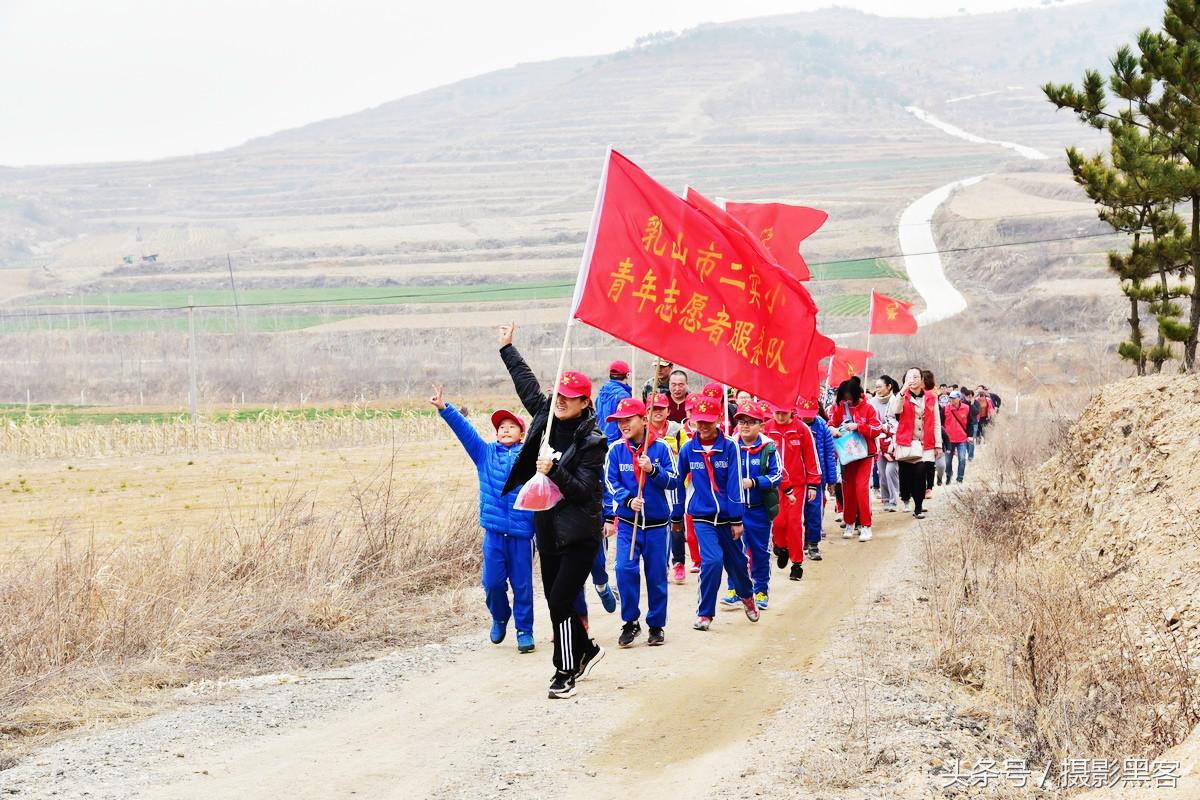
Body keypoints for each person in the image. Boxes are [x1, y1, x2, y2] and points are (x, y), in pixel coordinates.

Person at [498, 322, 606, 700]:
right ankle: (587, 649)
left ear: (585, 402)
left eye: (569, 397)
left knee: (560, 600)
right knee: (555, 599)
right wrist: (508, 348)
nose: (560, 400)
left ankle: (565, 671)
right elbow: (527, 385)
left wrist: (554, 469)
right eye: (559, 393)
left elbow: (582, 491)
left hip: (579, 533)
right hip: (546, 527)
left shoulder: (593, 441)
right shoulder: (545, 418)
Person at [432, 385, 536, 654]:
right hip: (494, 533)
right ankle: (500, 617)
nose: (505, 430)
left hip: (522, 534)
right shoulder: (484, 454)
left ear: (522, 433)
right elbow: (465, 432)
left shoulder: (531, 457)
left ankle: (524, 630)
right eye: (501, 426)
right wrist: (445, 408)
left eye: (511, 426)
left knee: (523, 586)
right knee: (492, 583)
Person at [603, 397, 679, 648]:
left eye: (628, 419)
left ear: (644, 420)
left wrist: (653, 471)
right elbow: (610, 481)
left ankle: (656, 624)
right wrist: (627, 500)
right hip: (628, 523)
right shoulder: (616, 450)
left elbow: (674, 480)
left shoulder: (661, 448)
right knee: (624, 569)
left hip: (657, 525)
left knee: (656, 575)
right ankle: (630, 621)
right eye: (619, 421)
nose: (623, 425)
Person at [678, 397, 759, 630]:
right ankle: (705, 613)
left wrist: (736, 519)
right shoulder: (688, 449)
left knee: (737, 563)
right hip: (702, 516)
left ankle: (747, 596)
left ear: (718, 420)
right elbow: (677, 480)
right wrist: (676, 513)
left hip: (727, 518)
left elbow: (734, 485)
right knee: (712, 561)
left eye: (708, 421)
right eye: (699, 421)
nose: (703, 426)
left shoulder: (730, 447)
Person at [721, 401, 782, 610]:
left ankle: (761, 590)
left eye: (750, 422)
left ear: (761, 425)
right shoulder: (730, 445)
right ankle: (734, 588)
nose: (745, 426)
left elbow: (778, 475)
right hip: (735, 510)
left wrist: (754, 483)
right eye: (741, 421)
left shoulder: (769, 448)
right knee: (734, 551)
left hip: (759, 510)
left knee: (760, 551)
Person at [764, 399, 821, 579]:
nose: (780, 417)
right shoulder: (766, 428)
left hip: (796, 484)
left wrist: (813, 483)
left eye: (784, 413)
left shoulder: (801, 429)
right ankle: (782, 547)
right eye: (777, 413)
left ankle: (797, 563)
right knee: (778, 521)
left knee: (794, 523)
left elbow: (811, 457)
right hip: (773, 484)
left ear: (792, 411)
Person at [649, 392, 693, 584]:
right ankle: (662, 565)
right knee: (659, 526)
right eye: (653, 409)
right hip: (653, 484)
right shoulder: (644, 430)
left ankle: (679, 562)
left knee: (676, 522)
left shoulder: (676, 429)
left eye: (661, 408)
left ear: (668, 411)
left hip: (675, 483)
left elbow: (687, 452)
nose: (657, 412)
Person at [829, 380, 881, 541]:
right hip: (847, 456)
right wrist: (833, 429)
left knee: (861, 489)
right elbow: (830, 424)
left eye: (850, 397)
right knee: (848, 490)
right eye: (844, 397)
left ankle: (866, 525)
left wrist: (858, 426)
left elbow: (877, 429)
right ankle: (850, 522)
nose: (848, 400)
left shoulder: (869, 408)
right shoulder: (839, 408)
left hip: (866, 455)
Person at [889, 367, 942, 520]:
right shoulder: (901, 396)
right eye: (909, 377)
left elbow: (937, 422)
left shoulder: (931, 397)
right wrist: (902, 391)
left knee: (920, 474)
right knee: (906, 476)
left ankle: (918, 507)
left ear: (922, 379)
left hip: (925, 443)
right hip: (907, 442)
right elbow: (896, 410)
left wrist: (938, 444)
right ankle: (906, 498)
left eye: (916, 376)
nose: (912, 380)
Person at [798, 396, 836, 560]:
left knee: (814, 511)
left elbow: (829, 454)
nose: (806, 418)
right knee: (797, 513)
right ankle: (798, 541)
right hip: (797, 478)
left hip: (817, 477)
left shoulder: (822, 427)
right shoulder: (794, 425)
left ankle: (813, 544)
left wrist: (832, 480)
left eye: (809, 415)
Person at [871, 375, 901, 512]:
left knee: (891, 471)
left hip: (894, 442)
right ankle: (886, 499)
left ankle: (894, 500)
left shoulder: (896, 401)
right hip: (878, 443)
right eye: (876, 387)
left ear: (889, 387)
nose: (877, 389)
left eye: (880, 386)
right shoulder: (872, 403)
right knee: (882, 473)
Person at [595, 360, 633, 446]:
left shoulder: (601, 393)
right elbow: (627, 421)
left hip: (601, 439)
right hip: (617, 441)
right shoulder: (623, 395)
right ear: (627, 375)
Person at [943, 390, 972, 483]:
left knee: (962, 459)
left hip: (962, 439)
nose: (952, 400)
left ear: (959, 398)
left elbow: (970, 423)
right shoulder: (945, 408)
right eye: (950, 398)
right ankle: (948, 475)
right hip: (949, 439)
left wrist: (970, 435)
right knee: (947, 461)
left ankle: (960, 478)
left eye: (954, 398)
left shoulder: (967, 408)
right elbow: (941, 424)